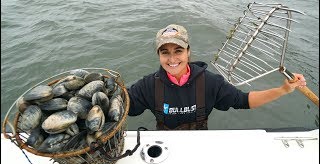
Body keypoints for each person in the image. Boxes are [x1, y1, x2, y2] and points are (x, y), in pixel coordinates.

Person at [127, 24, 307, 130]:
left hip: (202, 146)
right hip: (164, 148)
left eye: (179, 51)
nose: (172, 59)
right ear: (158, 55)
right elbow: (126, 104)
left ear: (188, 52)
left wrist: (283, 90)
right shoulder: (148, 85)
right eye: (165, 52)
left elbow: (244, 100)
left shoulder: (210, 82)